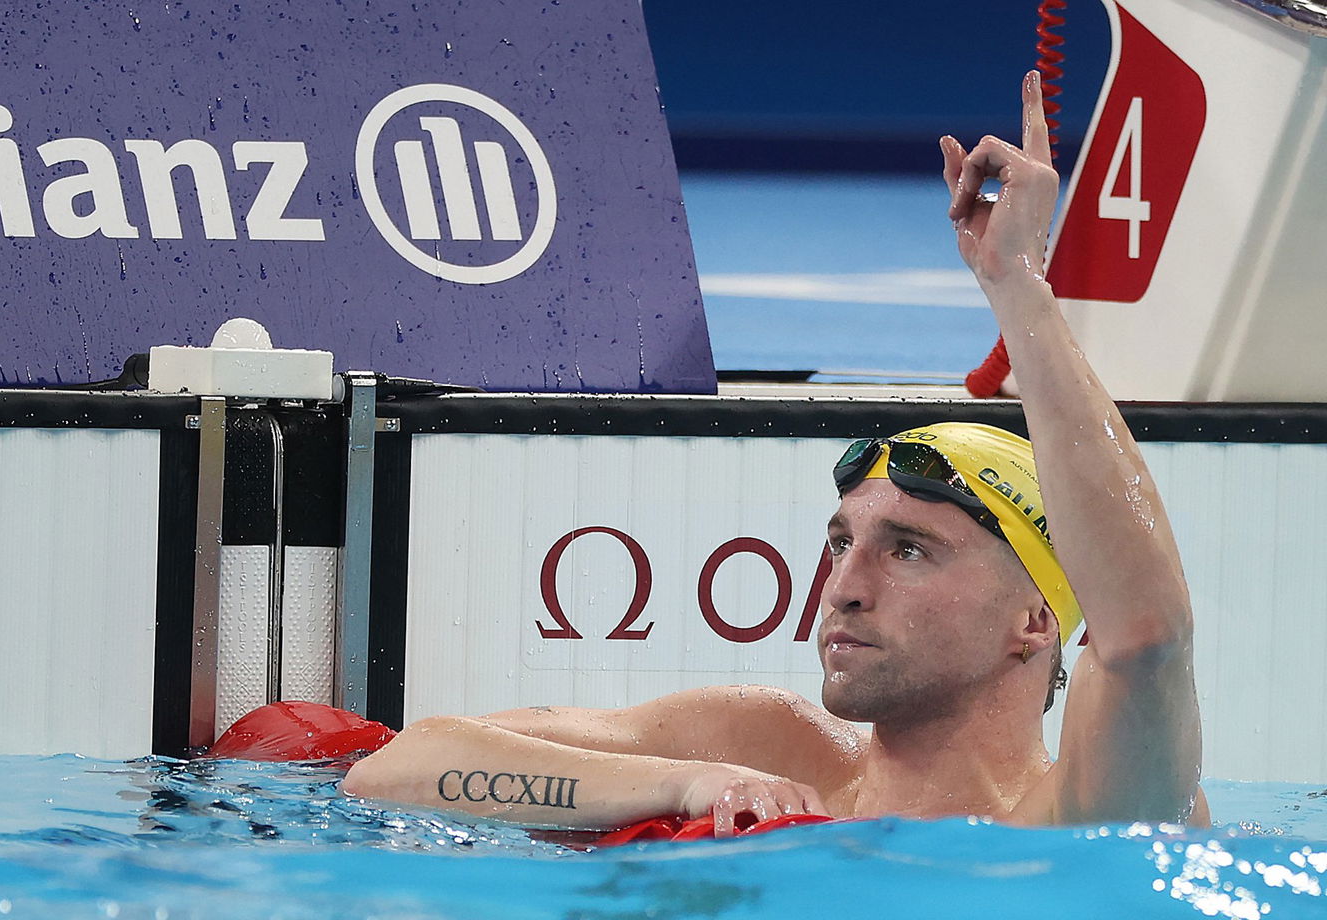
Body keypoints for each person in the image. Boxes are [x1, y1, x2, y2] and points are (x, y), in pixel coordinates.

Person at [342, 72, 1208, 832]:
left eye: (909, 550)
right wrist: (682, 779)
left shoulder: (1089, 812)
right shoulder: (771, 744)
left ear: (1034, 622)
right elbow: (395, 770)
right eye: (842, 544)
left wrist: (1018, 287)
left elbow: (1146, 636)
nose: (844, 589)